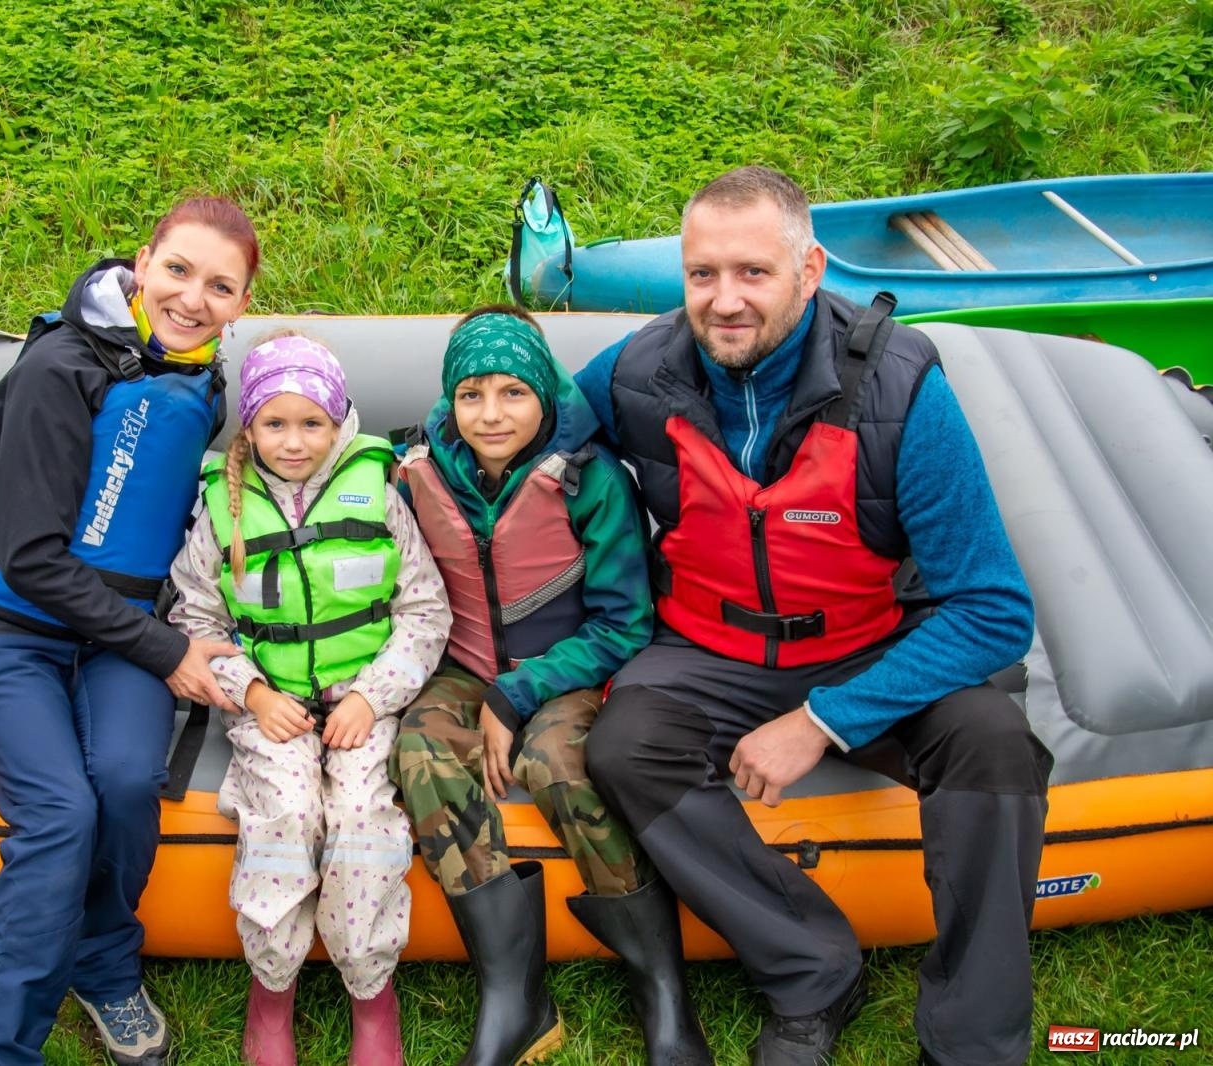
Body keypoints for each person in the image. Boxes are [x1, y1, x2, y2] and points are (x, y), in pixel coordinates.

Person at [573, 166, 1053, 1066]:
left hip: (867, 644)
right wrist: (389, 462)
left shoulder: (901, 390)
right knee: (623, 747)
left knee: (993, 742)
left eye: (752, 272)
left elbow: (993, 609)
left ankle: (973, 1042)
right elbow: (522, 421)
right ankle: (811, 968)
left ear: (811, 269)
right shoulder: (639, 369)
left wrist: (823, 721)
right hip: (708, 646)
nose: (724, 301)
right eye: (702, 274)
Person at [0, 195, 259, 1066]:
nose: (192, 298)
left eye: (220, 286)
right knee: (59, 815)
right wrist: (168, 651)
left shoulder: (202, 379)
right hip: (4, 624)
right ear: (142, 262)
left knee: (124, 779)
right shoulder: (59, 369)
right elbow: (30, 559)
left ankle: (103, 964)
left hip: (115, 631)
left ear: (241, 304)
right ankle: (3, 1054)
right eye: (178, 270)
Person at [389, 306, 711, 1066]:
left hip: (572, 662)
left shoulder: (591, 480)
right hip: (463, 662)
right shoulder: (416, 471)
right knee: (420, 752)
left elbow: (624, 624)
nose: (491, 414)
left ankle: (661, 986)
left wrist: (519, 694)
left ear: (543, 394)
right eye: (470, 395)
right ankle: (514, 994)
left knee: (558, 763)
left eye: (513, 393)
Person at [168, 334, 451, 1066]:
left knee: (361, 821)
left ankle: (371, 992)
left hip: (363, 705)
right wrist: (254, 694)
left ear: (339, 421)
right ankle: (272, 990)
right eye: (274, 424)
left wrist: (371, 698)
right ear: (249, 427)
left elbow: (424, 611)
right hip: (270, 709)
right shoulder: (222, 510)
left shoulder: (378, 493)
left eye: (312, 424)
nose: (293, 443)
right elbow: (195, 620)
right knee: (286, 815)